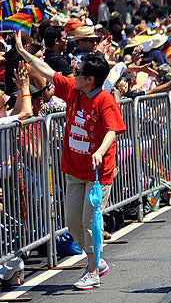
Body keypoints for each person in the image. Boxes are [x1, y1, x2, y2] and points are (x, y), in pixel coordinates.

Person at [15, 35, 125, 291]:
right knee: (73, 223)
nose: (74, 74)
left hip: (98, 173)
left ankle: (93, 270)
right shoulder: (74, 90)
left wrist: (100, 150)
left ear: (91, 80)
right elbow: (48, 72)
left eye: (79, 72)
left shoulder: (105, 100)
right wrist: (23, 52)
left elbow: (112, 130)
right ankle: (96, 259)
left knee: (90, 221)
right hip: (74, 169)